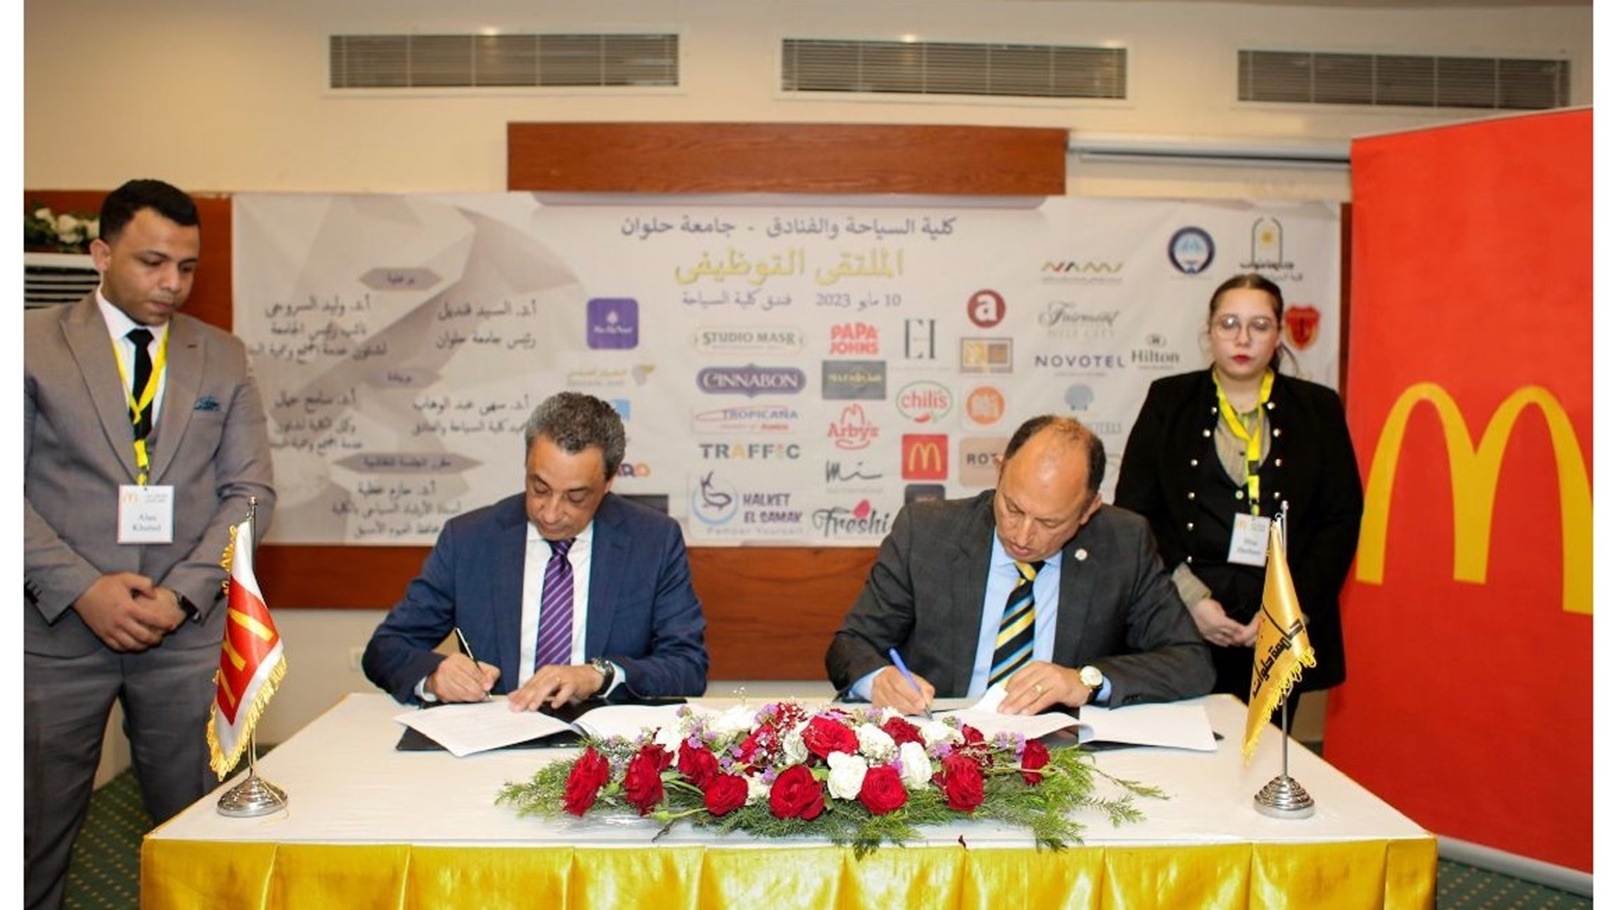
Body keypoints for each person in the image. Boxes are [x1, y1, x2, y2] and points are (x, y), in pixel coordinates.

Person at [24, 179, 277, 910]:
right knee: (33, 836)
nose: (172, 283)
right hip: (55, 634)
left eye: (187, 267)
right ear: (102, 255)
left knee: (201, 837)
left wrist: (183, 592)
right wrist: (84, 589)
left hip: (183, 636)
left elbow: (250, 493)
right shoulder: (30, 344)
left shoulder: (221, 356)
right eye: (152, 262)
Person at [825, 415, 1214, 716]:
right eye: (1012, 508)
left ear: (1089, 509)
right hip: (944, 746)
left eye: (1050, 522)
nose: (1023, 535)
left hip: (1062, 756)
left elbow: (1191, 662)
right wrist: (879, 680)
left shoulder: (1123, 543)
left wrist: (1084, 681)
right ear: (999, 470)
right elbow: (852, 644)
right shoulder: (927, 533)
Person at [363, 391, 709, 710]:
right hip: (496, 733)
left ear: (608, 481)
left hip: (604, 741)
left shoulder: (653, 542)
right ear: (527, 464)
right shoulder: (469, 539)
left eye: (576, 497)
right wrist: (434, 675)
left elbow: (688, 666)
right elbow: (386, 648)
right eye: (539, 488)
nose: (551, 513)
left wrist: (599, 675)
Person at [1113, 272, 1363, 707]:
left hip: (1279, 624)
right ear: (1209, 331)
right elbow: (1137, 511)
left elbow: (1340, 519)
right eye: (1228, 324)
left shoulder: (1317, 408)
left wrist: (1289, 609)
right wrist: (1191, 599)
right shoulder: (1169, 399)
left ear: (1278, 334)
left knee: (1266, 745)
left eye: (1259, 325)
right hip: (1182, 619)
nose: (1242, 338)